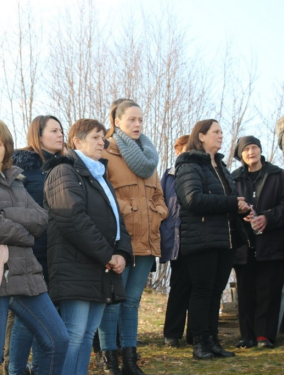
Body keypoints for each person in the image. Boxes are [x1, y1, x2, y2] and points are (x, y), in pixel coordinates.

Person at [0, 118, 69, 375]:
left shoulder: (16, 179)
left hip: (25, 272)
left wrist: (6, 212)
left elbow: (42, 218)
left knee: (57, 339)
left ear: (7, 147)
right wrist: (26, 235)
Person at [44, 118, 133, 375]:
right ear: (77, 142)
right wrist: (108, 254)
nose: (102, 142)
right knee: (73, 335)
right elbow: (72, 217)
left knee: (87, 335)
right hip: (76, 266)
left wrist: (122, 253)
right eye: (95, 137)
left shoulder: (99, 175)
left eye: (103, 137)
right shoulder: (65, 171)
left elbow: (118, 220)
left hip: (100, 267)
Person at [97, 100, 168, 375]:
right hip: (121, 242)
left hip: (147, 242)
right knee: (113, 300)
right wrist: (128, 209)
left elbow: (160, 195)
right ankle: (109, 360)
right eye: (132, 120)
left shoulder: (149, 156)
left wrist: (159, 212)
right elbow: (104, 191)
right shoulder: (107, 151)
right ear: (116, 122)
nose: (138, 125)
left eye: (140, 119)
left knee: (132, 302)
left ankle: (130, 360)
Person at [174, 119, 249, 359]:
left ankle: (212, 341)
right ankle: (199, 343)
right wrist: (231, 203)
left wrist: (242, 208)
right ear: (202, 136)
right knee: (202, 291)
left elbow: (229, 198)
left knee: (216, 291)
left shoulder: (221, 165)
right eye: (216, 132)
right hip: (201, 238)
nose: (221, 136)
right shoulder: (189, 163)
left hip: (225, 239)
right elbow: (192, 199)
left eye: (222, 132)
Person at [9, 115, 64, 374]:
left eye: (61, 129)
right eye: (54, 130)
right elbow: (22, 211)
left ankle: (38, 368)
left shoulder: (61, 166)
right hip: (32, 251)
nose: (60, 134)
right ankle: (17, 369)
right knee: (28, 318)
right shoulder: (25, 169)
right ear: (38, 135)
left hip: (56, 251)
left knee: (43, 316)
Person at [232, 136, 284, 349]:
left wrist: (268, 217)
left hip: (273, 244)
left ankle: (265, 336)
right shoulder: (233, 178)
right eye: (246, 150)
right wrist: (240, 214)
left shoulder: (278, 175)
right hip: (244, 245)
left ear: (261, 150)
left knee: (269, 290)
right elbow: (227, 207)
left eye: (254, 147)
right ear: (241, 155)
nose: (251, 152)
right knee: (245, 292)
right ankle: (247, 336)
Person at [161, 135, 192, 348]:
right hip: (177, 240)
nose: (184, 153)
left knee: (198, 287)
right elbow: (163, 204)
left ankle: (195, 334)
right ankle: (172, 333)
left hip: (197, 238)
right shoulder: (169, 176)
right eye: (181, 150)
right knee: (179, 286)